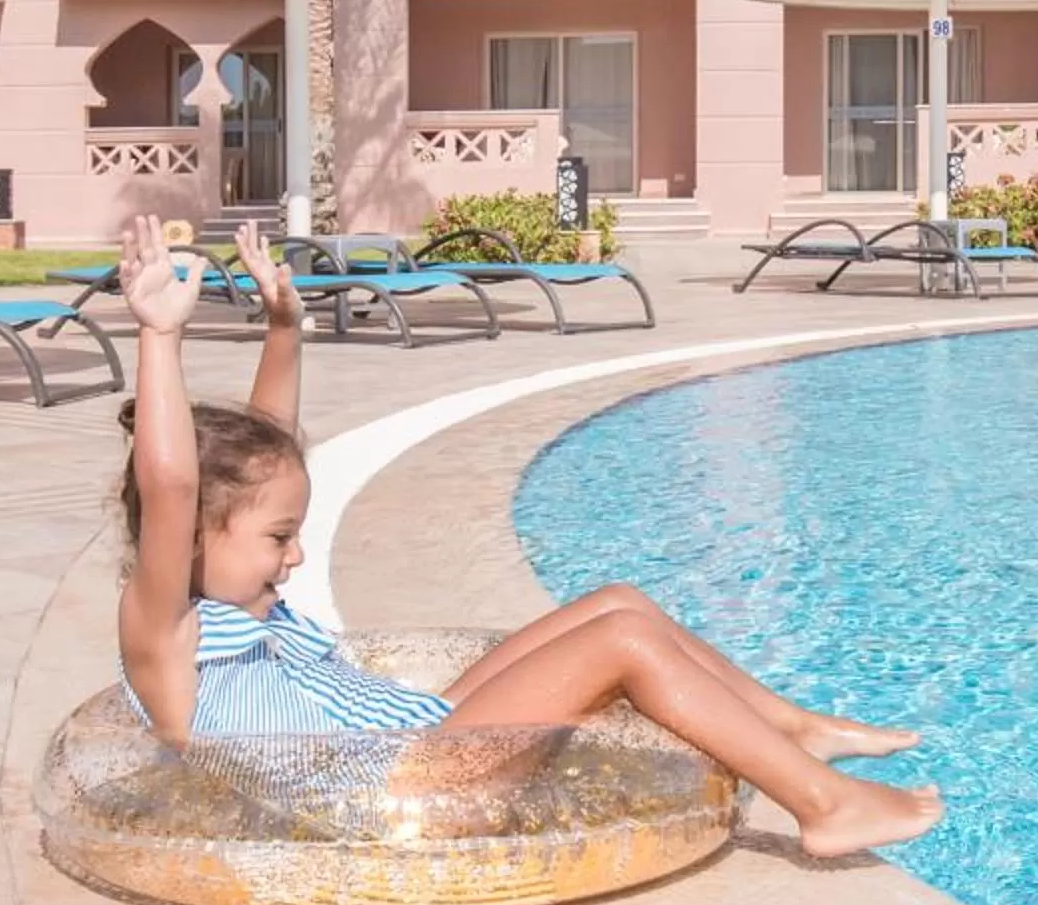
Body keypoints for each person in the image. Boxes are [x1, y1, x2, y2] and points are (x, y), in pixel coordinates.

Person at [114, 214, 941, 859]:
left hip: (422, 733)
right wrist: (160, 335)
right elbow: (172, 482)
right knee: (620, 642)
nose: (294, 554)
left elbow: (271, 443)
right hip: (405, 786)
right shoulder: (169, 638)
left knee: (617, 602)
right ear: (185, 539)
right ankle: (824, 808)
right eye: (278, 540)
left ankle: (790, 728)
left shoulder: (245, 601)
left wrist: (285, 324)